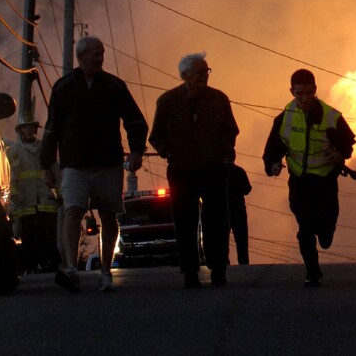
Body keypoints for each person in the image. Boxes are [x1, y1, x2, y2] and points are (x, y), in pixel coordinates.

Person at [40, 35, 148, 293]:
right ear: (81, 57)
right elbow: (52, 129)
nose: (99, 58)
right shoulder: (63, 87)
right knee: (73, 211)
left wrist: (135, 152)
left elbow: (135, 121)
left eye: (101, 54)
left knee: (109, 214)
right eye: (94, 54)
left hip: (108, 162)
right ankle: (70, 269)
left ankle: (105, 271)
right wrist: (47, 165)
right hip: (74, 164)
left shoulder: (114, 86)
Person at [148, 51, 239, 288]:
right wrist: (168, 153)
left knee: (217, 219)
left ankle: (218, 268)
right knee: (185, 220)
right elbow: (156, 136)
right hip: (181, 170)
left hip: (213, 168)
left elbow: (230, 130)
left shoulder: (219, 99)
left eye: (206, 72)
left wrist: (226, 150)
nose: (204, 77)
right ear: (185, 75)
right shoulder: (167, 101)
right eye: (199, 72)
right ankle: (190, 271)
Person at [263, 69, 356, 286]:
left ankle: (327, 232)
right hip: (300, 182)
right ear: (292, 92)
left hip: (325, 182)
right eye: (299, 93)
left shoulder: (332, 116)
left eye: (308, 93)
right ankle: (312, 272)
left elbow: (348, 143)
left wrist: (340, 154)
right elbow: (271, 150)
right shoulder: (283, 118)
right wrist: (273, 165)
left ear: (315, 90)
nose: (304, 98)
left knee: (325, 231)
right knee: (304, 228)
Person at [4, 120, 58, 274]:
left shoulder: (44, 148)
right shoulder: (13, 151)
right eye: (26, 128)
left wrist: (58, 193)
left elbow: (56, 170)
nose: (30, 131)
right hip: (24, 201)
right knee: (27, 235)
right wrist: (14, 195)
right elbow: (11, 177)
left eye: (32, 128)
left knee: (47, 233)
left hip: (45, 199)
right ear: (20, 130)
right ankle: (30, 265)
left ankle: (48, 263)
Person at [227, 163, 252, 265]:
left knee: (223, 241)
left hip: (223, 211)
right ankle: (243, 264)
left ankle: (224, 264)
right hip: (238, 210)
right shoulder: (239, 171)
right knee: (241, 241)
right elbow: (247, 189)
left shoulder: (216, 171)